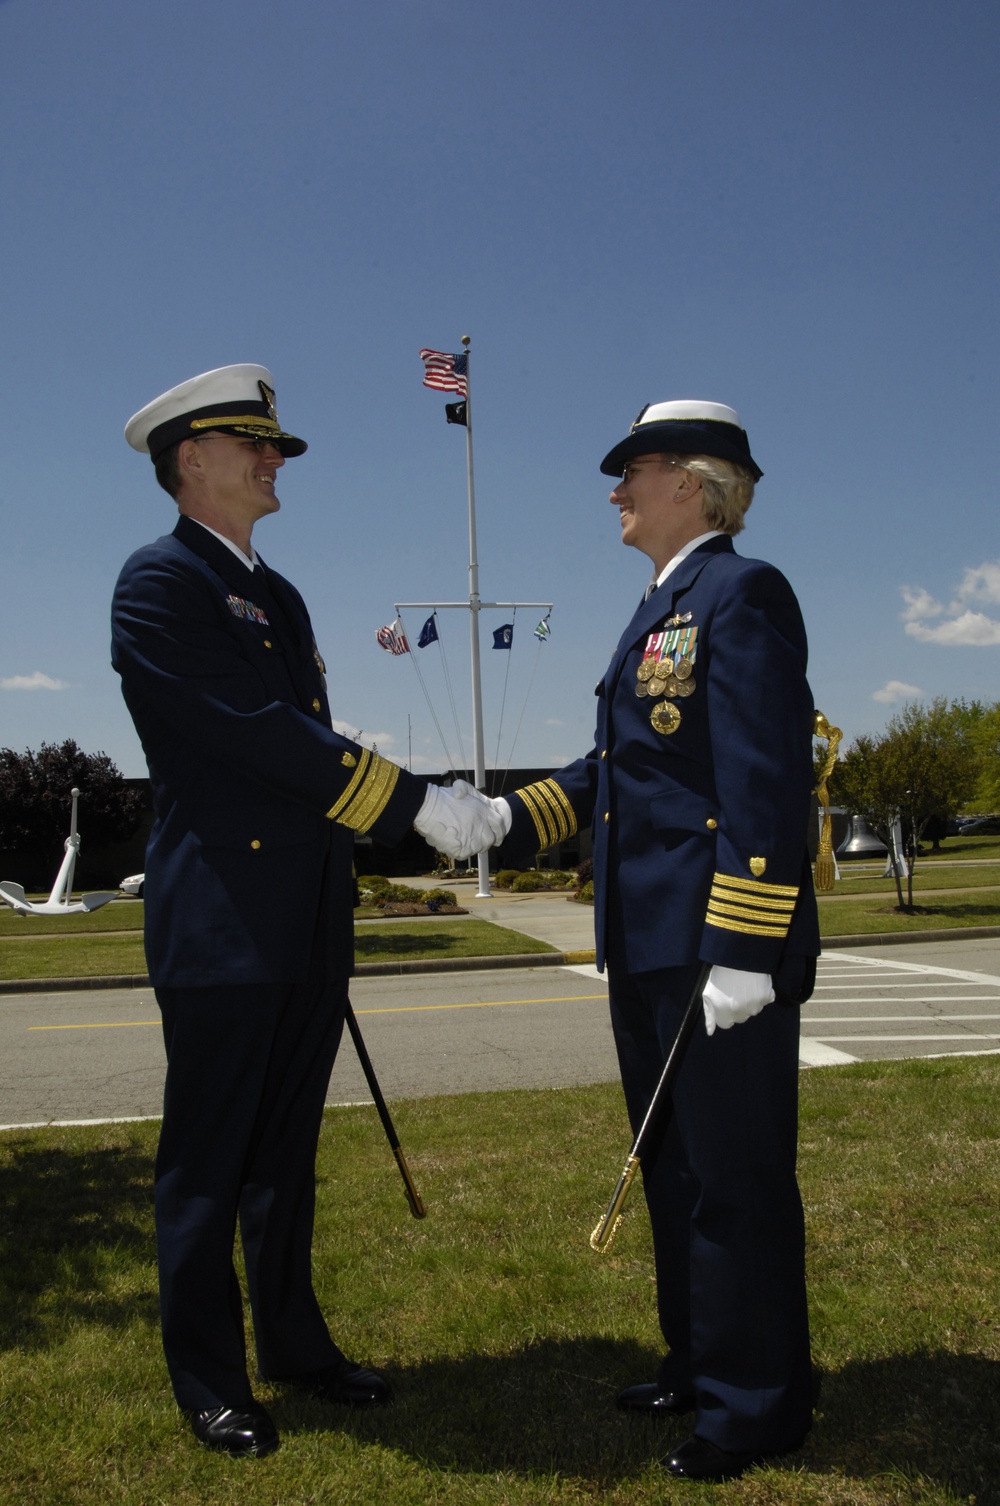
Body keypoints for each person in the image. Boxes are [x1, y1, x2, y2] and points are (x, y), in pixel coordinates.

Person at [111, 364, 503, 1457]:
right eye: (253, 444)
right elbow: (257, 734)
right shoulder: (159, 584)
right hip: (225, 919)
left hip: (301, 913)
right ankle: (209, 1379)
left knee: (285, 1154)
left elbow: (303, 759)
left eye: (274, 445)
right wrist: (414, 805)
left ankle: (294, 1346)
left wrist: (393, 824)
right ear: (190, 460)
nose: (274, 459)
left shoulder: (276, 596)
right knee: (209, 1160)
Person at [488, 400, 820, 1482]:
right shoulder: (659, 605)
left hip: (712, 952)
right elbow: (621, 776)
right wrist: (504, 816)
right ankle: (697, 1362)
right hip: (646, 944)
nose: (615, 491)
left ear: (691, 478)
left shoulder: (739, 593)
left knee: (735, 1180)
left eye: (629, 471)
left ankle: (756, 1404)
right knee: (673, 1171)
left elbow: (765, 780)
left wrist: (745, 945)